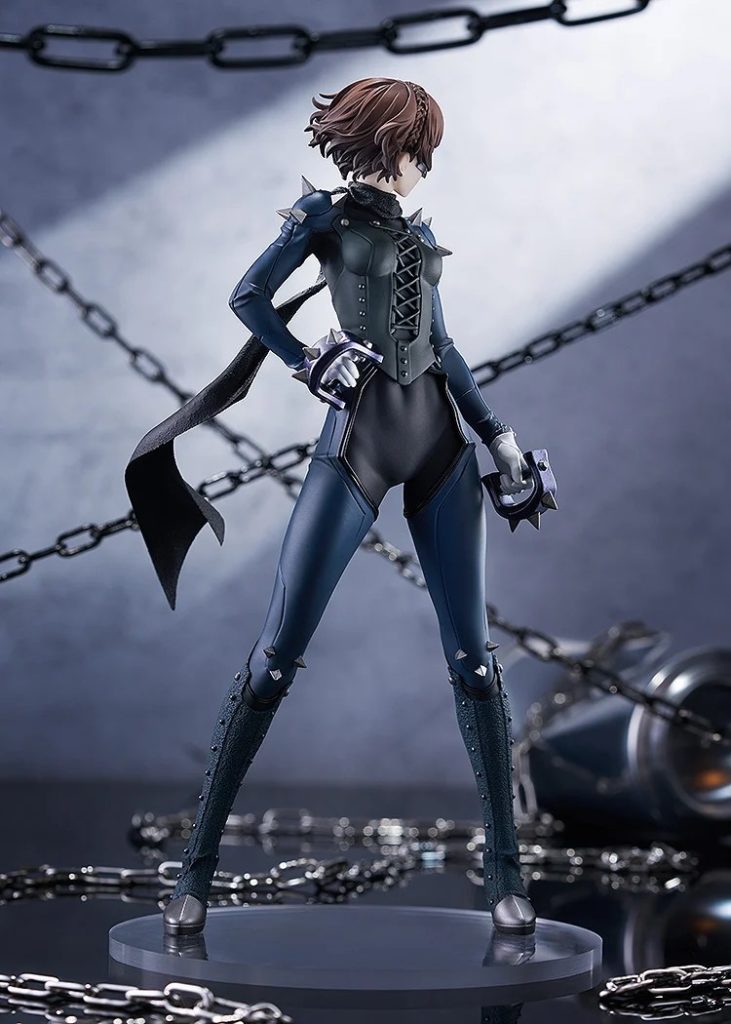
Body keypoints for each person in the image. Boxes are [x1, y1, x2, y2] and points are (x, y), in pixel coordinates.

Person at [126, 77, 538, 937]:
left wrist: (497, 436)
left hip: (441, 448)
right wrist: (304, 356)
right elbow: (247, 296)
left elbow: (444, 346)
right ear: (390, 141)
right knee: (275, 658)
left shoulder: (417, 234)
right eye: (418, 147)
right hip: (354, 446)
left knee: (473, 662)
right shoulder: (322, 218)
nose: (424, 164)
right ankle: (194, 874)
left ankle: (507, 876)